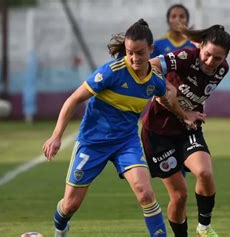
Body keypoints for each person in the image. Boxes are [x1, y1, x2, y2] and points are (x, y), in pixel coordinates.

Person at [40, 19, 202, 237]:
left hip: (126, 143)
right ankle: (60, 229)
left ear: (151, 50)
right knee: (70, 204)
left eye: (140, 53)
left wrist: (185, 115)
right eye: (130, 52)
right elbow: (73, 100)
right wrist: (56, 136)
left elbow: (167, 98)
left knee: (145, 194)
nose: (134, 58)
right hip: (92, 142)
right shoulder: (111, 72)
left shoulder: (155, 80)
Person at [142, 24, 230, 237]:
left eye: (217, 58)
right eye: (207, 54)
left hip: (187, 128)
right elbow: (151, 65)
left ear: (226, 57)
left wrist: (186, 114)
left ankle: (204, 227)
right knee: (179, 196)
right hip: (158, 131)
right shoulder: (185, 56)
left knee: (204, 172)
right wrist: (166, 90)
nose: (210, 62)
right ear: (200, 47)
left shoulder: (222, 69)